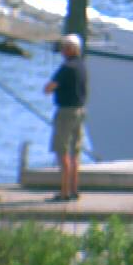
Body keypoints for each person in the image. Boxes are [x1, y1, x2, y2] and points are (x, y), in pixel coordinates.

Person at [43, 34, 87, 201]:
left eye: (64, 48)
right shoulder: (82, 66)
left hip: (66, 112)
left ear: (71, 49)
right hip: (80, 111)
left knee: (62, 151)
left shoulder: (66, 67)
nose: (62, 51)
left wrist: (49, 88)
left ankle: (64, 191)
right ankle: (74, 189)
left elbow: (49, 88)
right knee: (75, 152)